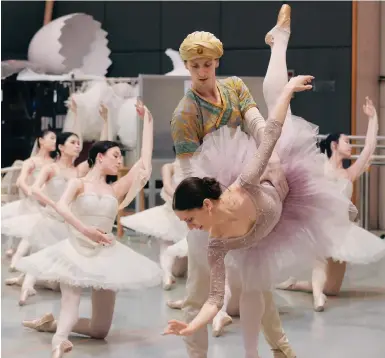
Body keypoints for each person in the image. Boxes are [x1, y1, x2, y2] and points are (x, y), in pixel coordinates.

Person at [167, 5, 297, 358]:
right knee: (199, 288)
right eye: (195, 66)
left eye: (207, 64)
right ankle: (197, 354)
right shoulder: (185, 113)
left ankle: (281, 347)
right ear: (188, 67)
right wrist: (204, 214)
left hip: (243, 191)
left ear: (216, 63)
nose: (202, 71)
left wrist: (268, 155)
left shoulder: (236, 88)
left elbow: (256, 123)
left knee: (258, 280)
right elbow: (188, 170)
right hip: (207, 204)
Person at [15, 100, 162, 358]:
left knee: (100, 330)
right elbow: (61, 207)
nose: (120, 161)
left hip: (106, 254)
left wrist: (148, 122)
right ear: (100, 157)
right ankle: (59, 340)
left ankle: (51, 323)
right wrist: (86, 230)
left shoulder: (115, 189)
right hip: (76, 249)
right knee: (70, 305)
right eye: (115, 156)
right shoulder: (78, 183)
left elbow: (144, 163)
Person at [276, 97, 385, 311]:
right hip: (320, 227)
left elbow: (369, 148)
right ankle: (318, 297)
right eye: (346, 141)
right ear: (334, 145)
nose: (350, 146)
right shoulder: (320, 167)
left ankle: (295, 284)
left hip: (342, 230)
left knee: (333, 288)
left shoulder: (349, 173)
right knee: (320, 265)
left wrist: (373, 118)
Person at [5, 100, 113, 305]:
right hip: (50, 218)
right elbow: (35, 189)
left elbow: (101, 150)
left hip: (67, 223)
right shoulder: (50, 168)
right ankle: (26, 286)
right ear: (61, 148)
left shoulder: (79, 170)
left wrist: (106, 120)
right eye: (73, 143)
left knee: (58, 273)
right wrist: (53, 205)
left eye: (79, 143)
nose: (78, 146)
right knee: (42, 254)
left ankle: (27, 280)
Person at [121, 147, 188, 290]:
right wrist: (185, 198)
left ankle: (173, 273)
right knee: (165, 242)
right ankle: (166, 275)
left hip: (186, 214)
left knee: (180, 268)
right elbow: (168, 187)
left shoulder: (197, 166)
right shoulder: (169, 167)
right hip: (171, 210)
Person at [2, 129, 57, 258]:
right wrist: (30, 192)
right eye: (52, 138)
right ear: (41, 141)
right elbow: (20, 180)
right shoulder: (32, 162)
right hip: (34, 200)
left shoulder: (55, 162)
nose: (55, 141)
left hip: (50, 202)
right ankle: (19, 251)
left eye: (56, 139)